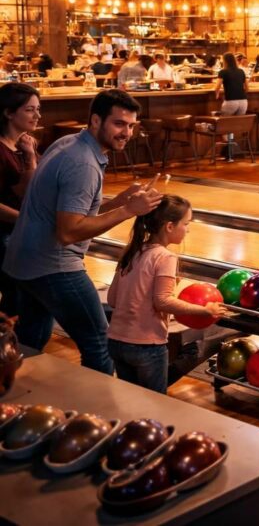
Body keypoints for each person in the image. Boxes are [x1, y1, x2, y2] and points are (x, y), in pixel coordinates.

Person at [5, 90, 163, 373]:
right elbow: (69, 231)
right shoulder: (83, 164)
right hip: (52, 267)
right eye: (118, 124)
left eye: (130, 125)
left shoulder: (69, 143)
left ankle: (10, 392)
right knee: (99, 342)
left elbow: (73, 207)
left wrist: (119, 201)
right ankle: (99, 415)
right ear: (95, 120)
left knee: (29, 341)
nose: (126, 132)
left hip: (23, 260)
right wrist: (129, 211)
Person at [106, 195, 228, 393]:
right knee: (155, 404)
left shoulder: (132, 251)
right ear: (169, 227)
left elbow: (112, 299)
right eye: (186, 224)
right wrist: (205, 310)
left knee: (131, 400)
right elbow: (162, 301)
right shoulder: (165, 256)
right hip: (146, 346)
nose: (188, 230)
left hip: (117, 342)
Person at [0, 83, 40, 316]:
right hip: (5, 232)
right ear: (8, 112)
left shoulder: (25, 144)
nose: (37, 115)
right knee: (21, 297)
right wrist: (26, 220)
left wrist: (30, 157)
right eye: (30, 110)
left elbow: (28, 192)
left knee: (23, 300)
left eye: (38, 109)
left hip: (18, 231)